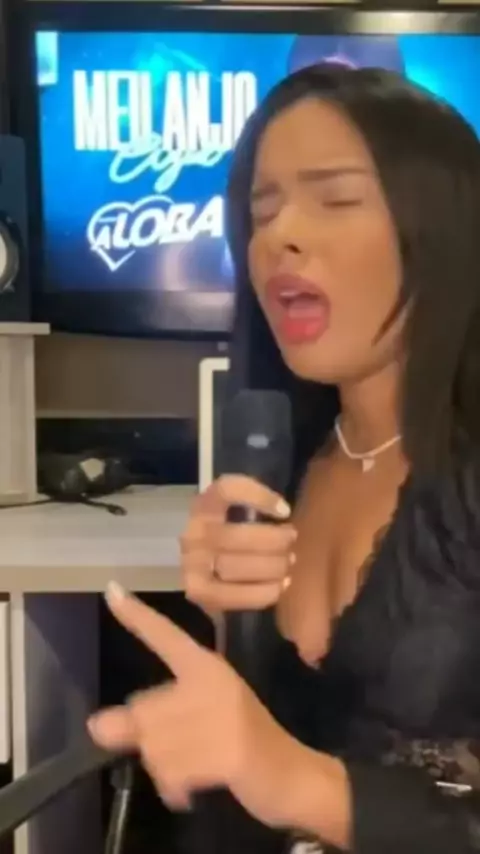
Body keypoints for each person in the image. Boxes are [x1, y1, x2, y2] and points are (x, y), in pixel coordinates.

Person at [88, 64, 480, 854]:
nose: (278, 237)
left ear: (442, 226)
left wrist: (299, 781)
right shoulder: (283, 467)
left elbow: (286, 773)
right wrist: (226, 634)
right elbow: (252, 761)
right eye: (260, 213)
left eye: (336, 199)